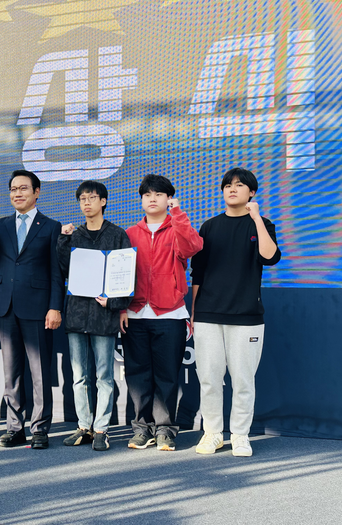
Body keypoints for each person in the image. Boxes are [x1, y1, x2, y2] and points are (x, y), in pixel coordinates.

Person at [191, 167, 281, 457]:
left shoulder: (262, 224)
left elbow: (270, 257)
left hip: (246, 316)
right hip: (208, 314)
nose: (232, 189)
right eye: (228, 185)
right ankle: (213, 433)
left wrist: (256, 219)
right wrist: (194, 312)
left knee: (243, 381)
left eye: (240, 185)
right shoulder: (209, 227)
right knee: (209, 379)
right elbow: (198, 272)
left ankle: (240, 435)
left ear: (251, 192)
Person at [0, 169, 64, 449]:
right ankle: (14, 428)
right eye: (13, 189)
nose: (17, 193)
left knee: (40, 372)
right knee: (11, 373)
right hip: (5, 305)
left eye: (23, 188)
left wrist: (55, 307)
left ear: (37, 192)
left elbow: (56, 272)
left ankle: (40, 429)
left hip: (38, 307)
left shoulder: (51, 226)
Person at [120, 174, 203, 452]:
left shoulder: (178, 227)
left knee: (167, 376)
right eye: (147, 195)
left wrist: (178, 215)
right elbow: (120, 274)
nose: (152, 199)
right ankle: (142, 429)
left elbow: (193, 247)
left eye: (158, 194)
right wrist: (121, 308)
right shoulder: (130, 234)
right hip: (135, 314)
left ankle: (165, 429)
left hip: (170, 314)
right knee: (138, 376)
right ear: (141, 200)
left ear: (169, 199)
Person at [56, 181, 132, 452]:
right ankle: (83, 426)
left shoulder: (118, 235)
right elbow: (62, 270)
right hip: (76, 313)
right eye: (82, 199)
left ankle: (101, 429)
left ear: (103, 201)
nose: (86, 203)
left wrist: (114, 303)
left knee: (104, 376)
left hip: (104, 316)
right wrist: (62, 240)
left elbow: (126, 276)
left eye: (91, 198)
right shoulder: (73, 235)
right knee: (79, 376)